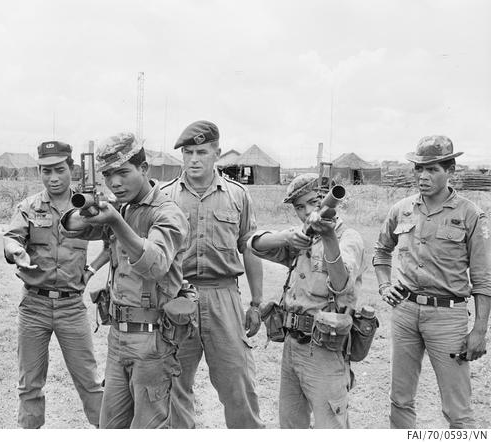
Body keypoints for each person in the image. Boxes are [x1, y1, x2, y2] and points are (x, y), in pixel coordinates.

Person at [60, 132, 189, 428]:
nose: (115, 182)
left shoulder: (167, 213)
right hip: (118, 337)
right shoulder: (123, 207)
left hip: (152, 341)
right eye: (108, 175)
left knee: (148, 427)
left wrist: (115, 222)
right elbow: (71, 228)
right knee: (110, 427)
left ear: (144, 169)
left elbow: (155, 264)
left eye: (122, 172)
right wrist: (90, 210)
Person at [373, 135, 490, 429]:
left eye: (433, 169)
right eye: (419, 168)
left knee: (457, 409)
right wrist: (385, 285)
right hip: (405, 311)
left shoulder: (470, 214)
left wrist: (479, 329)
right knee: (400, 399)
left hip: (447, 317)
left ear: (450, 171)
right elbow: (381, 251)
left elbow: (483, 278)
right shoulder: (401, 209)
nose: (423, 176)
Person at [160, 120, 264, 428]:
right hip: (178, 296)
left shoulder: (237, 195)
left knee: (238, 383)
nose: (193, 159)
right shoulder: (165, 197)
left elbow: (250, 247)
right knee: (173, 384)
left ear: (216, 153)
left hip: (224, 297)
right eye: (188, 152)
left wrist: (256, 303)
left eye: (201, 152)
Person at [247, 173, 366, 428]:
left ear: (325, 200)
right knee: (291, 424)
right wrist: (288, 237)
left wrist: (329, 238)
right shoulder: (301, 239)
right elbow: (253, 244)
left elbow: (341, 283)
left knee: (329, 426)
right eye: (299, 207)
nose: (306, 211)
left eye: (313, 202)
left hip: (325, 349)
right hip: (292, 347)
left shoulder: (349, 238)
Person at [3, 141, 106, 428]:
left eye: (59, 170)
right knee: (29, 385)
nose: (53, 177)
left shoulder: (87, 207)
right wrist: (16, 251)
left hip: (72, 307)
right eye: (46, 171)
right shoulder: (28, 207)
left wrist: (93, 268)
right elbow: (12, 237)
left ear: (71, 168)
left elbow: (113, 237)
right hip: (33, 306)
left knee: (90, 382)